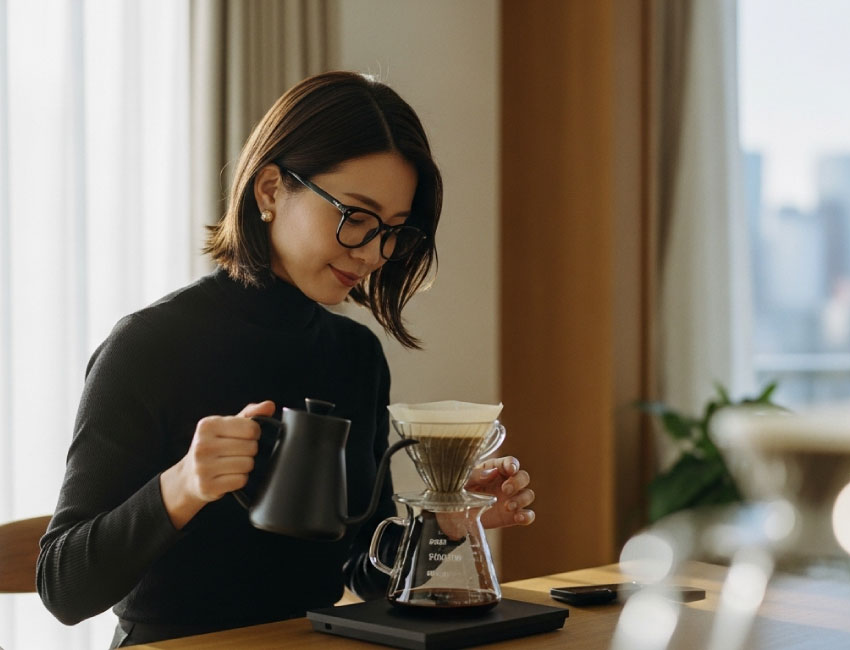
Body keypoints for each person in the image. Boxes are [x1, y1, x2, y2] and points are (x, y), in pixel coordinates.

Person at [36, 71, 535, 648]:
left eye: (393, 231)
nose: (374, 253)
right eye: (356, 216)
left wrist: (444, 525)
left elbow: (361, 572)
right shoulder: (150, 347)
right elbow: (62, 588)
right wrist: (183, 485)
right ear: (271, 190)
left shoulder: (356, 357)